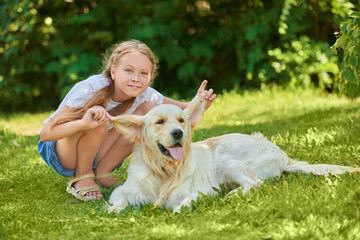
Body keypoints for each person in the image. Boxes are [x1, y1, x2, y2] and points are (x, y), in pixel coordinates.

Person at [38, 39, 216, 201]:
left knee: (146, 113)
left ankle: (102, 172)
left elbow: (183, 110)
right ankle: (82, 176)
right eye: (129, 70)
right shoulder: (90, 88)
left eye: (143, 73)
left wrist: (200, 102)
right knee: (98, 116)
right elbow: (46, 134)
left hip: (95, 151)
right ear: (113, 71)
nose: (136, 79)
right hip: (61, 153)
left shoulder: (146, 95)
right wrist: (83, 123)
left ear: (151, 76)